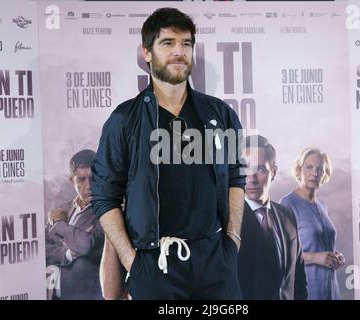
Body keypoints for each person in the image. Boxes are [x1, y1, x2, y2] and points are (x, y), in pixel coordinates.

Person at [91, 7, 246, 300]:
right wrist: (133, 263)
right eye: (168, 43)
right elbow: (103, 197)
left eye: (186, 44)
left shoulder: (221, 114)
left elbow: (236, 179)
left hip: (215, 261)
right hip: (154, 265)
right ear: (147, 52)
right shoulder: (124, 120)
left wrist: (232, 241)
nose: (179, 52)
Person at [238, 135, 307, 300]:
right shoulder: (228, 218)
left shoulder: (287, 215)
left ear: (274, 172)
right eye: (244, 168)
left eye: (260, 169)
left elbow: (298, 279)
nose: (251, 178)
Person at [279, 147, 345, 300]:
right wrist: (315, 257)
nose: (314, 173)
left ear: (324, 174)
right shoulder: (287, 203)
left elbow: (323, 247)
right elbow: (280, 253)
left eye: (320, 169)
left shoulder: (323, 205)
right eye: (309, 167)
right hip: (307, 291)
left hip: (331, 290)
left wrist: (335, 256)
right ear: (299, 170)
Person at [45, 149, 105, 300]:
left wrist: (58, 223)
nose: (89, 186)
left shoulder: (108, 210)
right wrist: (67, 253)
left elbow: (86, 245)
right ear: (72, 180)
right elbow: (42, 249)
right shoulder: (63, 208)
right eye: (81, 180)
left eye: (93, 178)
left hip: (87, 294)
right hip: (53, 294)